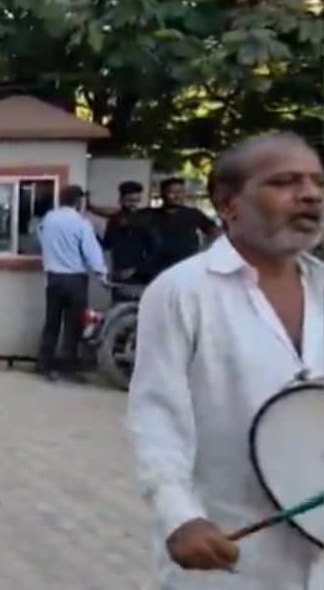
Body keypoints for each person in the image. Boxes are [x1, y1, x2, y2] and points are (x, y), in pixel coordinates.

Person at [128, 132, 324, 588]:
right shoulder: (181, 293)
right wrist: (179, 517)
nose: (310, 194)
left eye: (317, 182)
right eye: (284, 182)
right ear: (228, 203)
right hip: (230, 563)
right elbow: (156, 416)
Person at [36, 185, 107, 381]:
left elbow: (40, 236)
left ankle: (44, 364)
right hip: (75, 279)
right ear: (78, 202)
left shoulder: (48, 219)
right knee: (73, 324)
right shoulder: (81, 223)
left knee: (52, 322)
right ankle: (68, 367)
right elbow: (92, 252)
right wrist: (102, 274)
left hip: (53, 278)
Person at [92, 181, 159, 299]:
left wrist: (136, 269)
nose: (133, 204)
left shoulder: (146, 220)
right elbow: (108, 244)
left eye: (136, 201)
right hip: (119, 274)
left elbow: (155, 249)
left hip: (140, 275)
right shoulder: (115, 220)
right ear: (121, 199)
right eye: (129, 200)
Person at [143, 176, 220, 274]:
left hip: (186, 267)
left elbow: (215, 231)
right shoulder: (148, 214)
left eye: (181, 192)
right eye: (172, 192)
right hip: (156, 269)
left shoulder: (193, 214)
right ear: (162, 193)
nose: (177, 196)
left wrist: (205, 252)